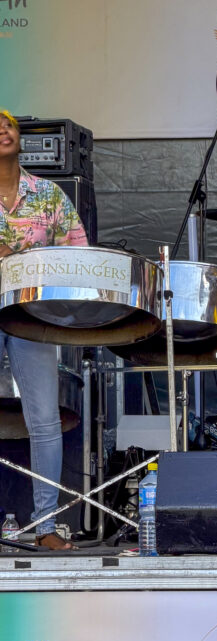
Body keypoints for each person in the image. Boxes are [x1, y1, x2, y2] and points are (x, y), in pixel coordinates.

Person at [0, 110, 88, 550]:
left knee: (44, 420)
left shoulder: (48, 195)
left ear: (20, 137)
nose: (2, 129)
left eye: (9, 124)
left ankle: (46, 525)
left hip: (30, 314)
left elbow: (79, 255)